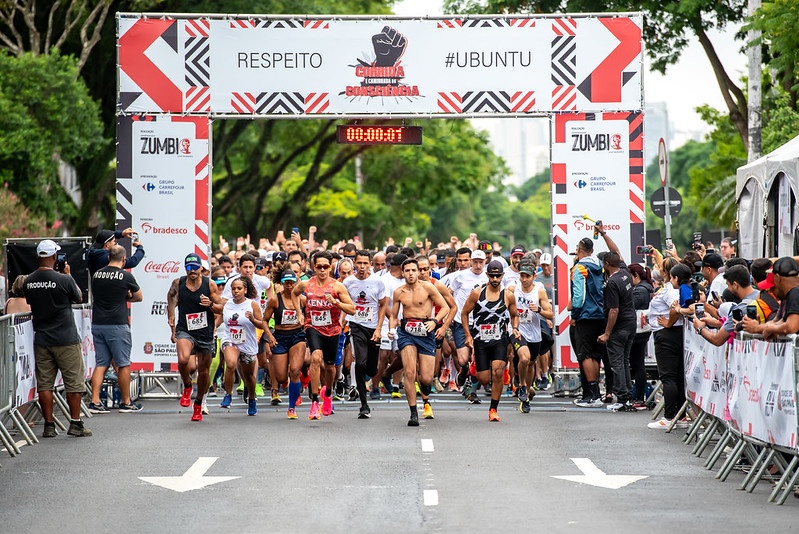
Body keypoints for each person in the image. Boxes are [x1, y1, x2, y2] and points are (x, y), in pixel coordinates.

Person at [24, 239, 91, 437]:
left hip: (42, 338)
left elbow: (30, 301)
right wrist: (68, 275)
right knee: (73, 382)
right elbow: (78, 297)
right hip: (66, 338)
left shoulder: (29, 281)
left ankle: (49, 425)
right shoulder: (64, 279)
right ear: (54, 257)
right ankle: (75, 423)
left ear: (38, 257)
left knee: (45, 384)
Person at [292, 251, 355, 420]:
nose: (322, 270)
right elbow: (294, 293)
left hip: (333, 330)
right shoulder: (306, 284)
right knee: (315, 358)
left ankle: (327, 393)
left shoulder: (337, 286)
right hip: (313, 327)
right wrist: (299, 313)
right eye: (318, 266)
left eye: (325, 266)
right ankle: (314, 401)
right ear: (313, 267)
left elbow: (352, 309)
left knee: (330, 367)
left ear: (330, 267)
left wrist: (336, 303)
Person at [389, 258, 450, 426]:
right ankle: (413, 412)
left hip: (426, 332)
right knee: (409, 372)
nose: (410, 274)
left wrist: (435, 321)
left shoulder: (428, 288)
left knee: (426, 378)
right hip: (407, 332)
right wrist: (391, 329)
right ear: (403, 273)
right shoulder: (399, 292)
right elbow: (394, 315)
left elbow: (445, 307)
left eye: (413, 270)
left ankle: (425, 392)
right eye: (407, 271)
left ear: (418, 272)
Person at [461, 260, 520, 422]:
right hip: (480, 339)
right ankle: (471, 369)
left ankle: (493, 409)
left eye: (498, 276)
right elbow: (464, 313)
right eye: (492, 276)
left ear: (502, 275)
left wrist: (514, 328)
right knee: (484, 379)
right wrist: (467, 335)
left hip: (499, 339)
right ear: (487, 275)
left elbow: (515, 315)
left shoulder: (507, 295)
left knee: (498, 372)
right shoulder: (477, 293)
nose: (495, 279)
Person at [87, 245, 144, 414]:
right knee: (123, 363)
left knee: (101, 363)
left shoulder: (97, 274)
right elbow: (139, 296)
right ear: (124, 259)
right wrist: (126, 296)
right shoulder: (125, 276)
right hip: (117, 324)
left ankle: (94, 401)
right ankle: (126, 402)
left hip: (98, 323)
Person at [167, 253, 223, 422]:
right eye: (189, 267)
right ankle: (187, 386)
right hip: (185, 329)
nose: (192, 271)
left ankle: (198, 404)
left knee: (204, 372)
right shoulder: (179, 283)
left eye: (195, 267)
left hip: (205, 332)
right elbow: (171, 297)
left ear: (201, 268)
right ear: (186, 268)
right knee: (183, 360)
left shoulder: (210, 285)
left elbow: (221, 308)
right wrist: (171, 317)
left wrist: (211, 305)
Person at [343, 250, 388, 419]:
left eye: (365, 263)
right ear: (355, 263)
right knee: (359, 364)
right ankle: (364, 405)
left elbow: (383, 305)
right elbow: (345, 303)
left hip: (373, 327)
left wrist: (378, 328)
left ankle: (370, 376)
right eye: (359, 263)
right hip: (356, 326)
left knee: (372, 368)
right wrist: (343, 320)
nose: (362, 267)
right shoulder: (348, 282)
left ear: (370, 264)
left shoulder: (377, 281)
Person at [646, 261, 688, 429]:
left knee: (669, 376)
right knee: (677, 376)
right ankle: (680, 416)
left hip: (668, 334)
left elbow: (675, 307)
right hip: (674, 333)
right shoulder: (677, 288)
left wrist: (669, 323)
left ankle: (670, 417)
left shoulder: (671, 289)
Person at [508, 260, 552, 413]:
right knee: (524, 358)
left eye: (527, 276)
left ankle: (526, 393)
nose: (524, 279)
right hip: (517, 330)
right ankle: (521, 386)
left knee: (531, 363)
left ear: (534, 276)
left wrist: (539, 310)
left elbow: (551, 314)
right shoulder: (513, 289)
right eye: (522, 276)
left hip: (534, 333)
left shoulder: (539, 291)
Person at [262, 270, 307, 419]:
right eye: (286, 283)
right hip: (280, 337)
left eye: (292, 283)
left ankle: (292, 407)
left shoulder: (302, 299)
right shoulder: (275, 300)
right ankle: (292, 387)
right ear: (282, 283)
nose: (289, 286)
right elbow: (264, 320)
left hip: (297, 336)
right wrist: (269, 336)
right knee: (281, 377)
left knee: (294, 370)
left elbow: (310, 316)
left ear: (296, 283)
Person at [598, 252, 637, 412]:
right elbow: (618, 253)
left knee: (617, 363)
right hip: (630, 323)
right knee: (624, 361)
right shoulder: (625, 273)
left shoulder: (612, 282)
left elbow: (613, 310)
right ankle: (627, 397)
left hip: (619, 326)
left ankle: (622, 398)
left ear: (607, 263)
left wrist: (607, 333)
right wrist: (604, 234)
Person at [570, 237, 606, 407]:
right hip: (600, 314)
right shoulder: (600, 265)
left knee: (586, 354)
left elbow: (579, 296)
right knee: (595, 355)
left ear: (580, 249)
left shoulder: (580, 267)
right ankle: (595, 394)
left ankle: (593, 395)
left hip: (586, 315)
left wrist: (575, 315)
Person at [221, 275, 265, 416]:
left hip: (247, 342)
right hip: (230, 339)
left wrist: (252, 319)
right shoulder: (227, 304)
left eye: (239, 288)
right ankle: (228, 395)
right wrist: (213, 329)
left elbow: (261, 324)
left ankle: (251, 398)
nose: (236, 291)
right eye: (233, 289)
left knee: (249, 377)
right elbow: (219, 316)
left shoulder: (252, 305)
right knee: (231, 363)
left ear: (245, 290)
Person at [743, 257, 799, 338]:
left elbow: (791, 326)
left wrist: (767, 329)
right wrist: (758, 328)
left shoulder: (795, 292)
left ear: (777, 278)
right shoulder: (789, 295)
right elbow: (780, 322)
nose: (769, 290)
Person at [627, 263, 654, 410]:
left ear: (635, 276)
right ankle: (638, 396)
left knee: (637, 363)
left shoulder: (640, 290)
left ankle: (638, 397)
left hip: (638, 330)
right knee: (637, 363)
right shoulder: (645, 287)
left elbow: (632, 306)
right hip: (642, 329)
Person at [534, 253, 555, 390]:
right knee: (543, 345)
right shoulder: (538, 279)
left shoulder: (557, 276)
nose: (546, 268)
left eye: (548, 265)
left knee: (555, 346)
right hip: (543, 315)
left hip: (557, 315)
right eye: (543, 265)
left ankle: (552, 371)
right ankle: (543, 374)